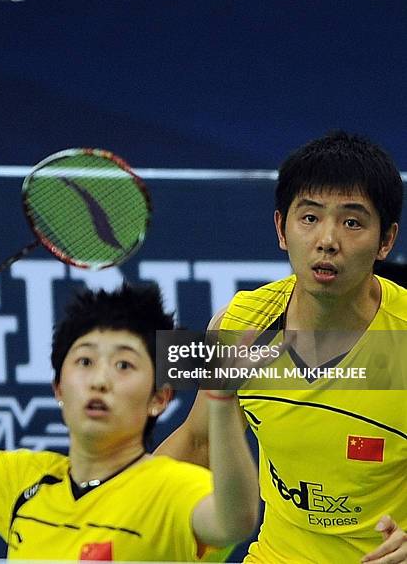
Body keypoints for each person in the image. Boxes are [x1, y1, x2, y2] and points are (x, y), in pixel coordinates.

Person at [157, 131, 407, 563]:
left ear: (386, 240)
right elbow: (199, 443)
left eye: (352, 222)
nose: (327, 240)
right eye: (309, 218)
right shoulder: (238, 324)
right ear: (281, 229)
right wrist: (114, 503)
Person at [0, 283, 258, 561]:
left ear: (158, 398)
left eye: (124, 365)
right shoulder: (24, 482)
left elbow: (236, 519)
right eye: (85, 362)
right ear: (59, 389)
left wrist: (222, 402)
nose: (100, 380)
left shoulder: (174, 488)